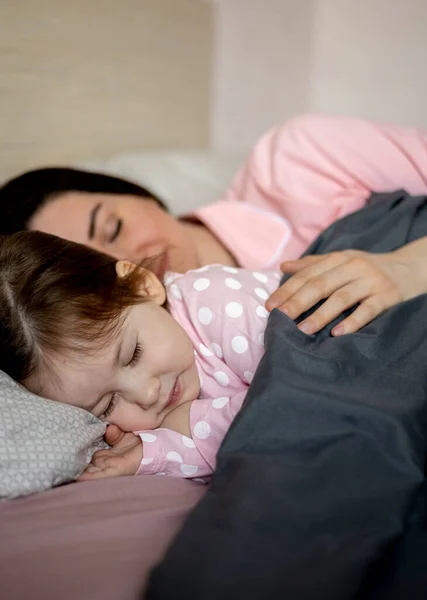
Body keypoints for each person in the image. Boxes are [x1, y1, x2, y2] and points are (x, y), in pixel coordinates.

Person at [1, 114, 427, 337]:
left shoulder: (298, 159)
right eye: (96, 268)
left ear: (137, 192)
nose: (128, 262)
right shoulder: (171, 360)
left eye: (112, 229)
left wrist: (408, 267)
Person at [0, 230, 280, 480]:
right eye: (108, 405)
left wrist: (187, 425)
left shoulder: (218, 303)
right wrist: (158, 451)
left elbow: (288, 401)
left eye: (134, 354)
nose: (147, 395)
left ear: (142, 286)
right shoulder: (155, 419)